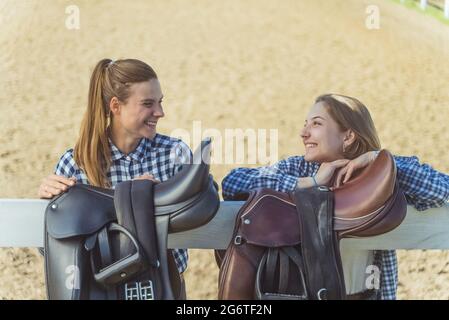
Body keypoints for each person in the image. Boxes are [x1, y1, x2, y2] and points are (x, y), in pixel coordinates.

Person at [221, 93, 449, 300]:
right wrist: (311, 183)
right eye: (305, 124)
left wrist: (378, 161)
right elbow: (234, 181)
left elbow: (442, 190)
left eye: (316, 124)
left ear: (348, 136)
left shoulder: (380, 179)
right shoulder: (299, 169)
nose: (304, 132)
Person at [38, 58, 192, 287]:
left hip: (162, 287)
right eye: (148, 103)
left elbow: (194, 221)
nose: (160, 112)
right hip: (101, 289)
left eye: (160, 102)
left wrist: (149, 198)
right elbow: (49, 248)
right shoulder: (74, 164)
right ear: (115, 106)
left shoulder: (175, 154)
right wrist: (51, 207)